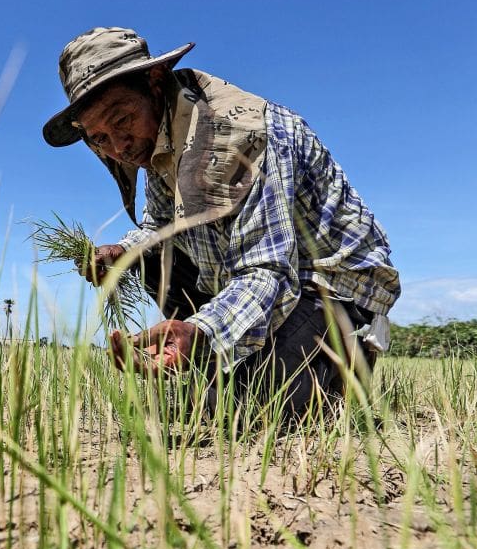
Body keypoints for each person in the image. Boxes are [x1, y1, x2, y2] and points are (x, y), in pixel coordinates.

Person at [42, 27, 400, 419]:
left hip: (327, 285)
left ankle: (340, 363)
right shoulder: (157, 140)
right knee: (144, 256)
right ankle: (222, 362)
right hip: (249, 277)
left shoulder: (240, 136)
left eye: (123, 120)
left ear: (155, 82)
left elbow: (269, 271)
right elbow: (160, 226)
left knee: (226, 412)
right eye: (99, 139)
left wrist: (203, 333)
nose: (118, 146)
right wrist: (123, 250)